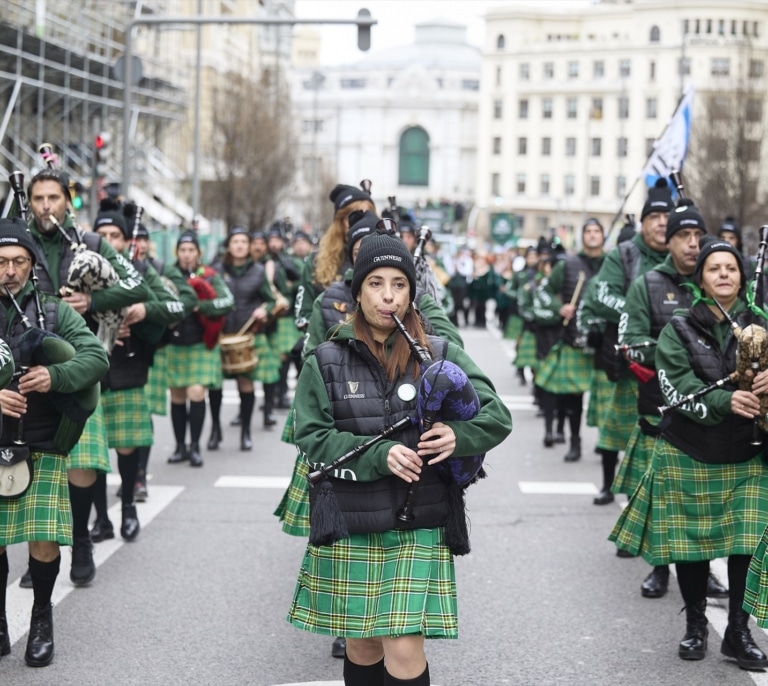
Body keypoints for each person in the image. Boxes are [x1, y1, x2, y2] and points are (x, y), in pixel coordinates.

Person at [286, 230, 512, 685]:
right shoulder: (325, 359)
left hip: (419, 519)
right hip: (353, 517)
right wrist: (379, 455)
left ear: (412, 291)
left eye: (399, 283)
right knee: (363, 643)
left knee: (404, 648)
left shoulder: (440, 352)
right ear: (358, 291)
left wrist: (458, 435)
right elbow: (311, 435)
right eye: (375, 283)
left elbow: (498, 416)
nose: (387, 295)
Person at [610, 235, 768, 670]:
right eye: (714, 267)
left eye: (731, 268)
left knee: (746, 546)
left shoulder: (762, 323)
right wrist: (724, 401)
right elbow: (675, 390)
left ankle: (738, 631)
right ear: (700, 279)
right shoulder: (678, 328)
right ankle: (695, 625)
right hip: (690, 450)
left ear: (742, 278)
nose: (723, 273)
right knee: (692, 548)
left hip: (748, 455)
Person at [25, 168, 151, 586]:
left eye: (53, 198)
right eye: (39, 198)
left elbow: (138, 289)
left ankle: (81, 538)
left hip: (81, 365)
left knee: (80, 465)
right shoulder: (16, 244)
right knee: (30, 462)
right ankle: (37, 551)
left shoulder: (91, 243)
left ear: (68, 201)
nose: (46, 206)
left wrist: (92, 299)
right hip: (29, 367)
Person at [0, 217, 109, 667]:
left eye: (19, 261)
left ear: (31, 266)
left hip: (41, 440)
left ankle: (41, 619)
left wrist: (53, 376)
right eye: (2, 261)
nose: (9, 269)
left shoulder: (54, 312)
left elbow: (96, 357)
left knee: (43, 541)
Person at [613, 201, 727, 600]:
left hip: (717, 413)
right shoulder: (647, 283)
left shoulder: (717, 282)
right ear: (669, 242)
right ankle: (660, 569)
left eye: (698, 236)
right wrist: (675, 355)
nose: (692, 244)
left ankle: (705, 571)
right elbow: (629, 344)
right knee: (668, 501)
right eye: (683, 236)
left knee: (710, 504)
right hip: (660, 406)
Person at [91, 206, 185, 540]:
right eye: (101, 236)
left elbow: (177, 307)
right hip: (90, 370)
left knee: (128, 446)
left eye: (114, 236)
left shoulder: (141, 270)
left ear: (124, 240)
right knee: (93, 451)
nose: (107, 241)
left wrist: (142, 311)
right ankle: (100, 517)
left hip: (129, 367)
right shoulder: (80, 269)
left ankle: (128, 505)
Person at [580, 179, 672, 518]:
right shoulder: (624, 254)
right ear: (644, 222)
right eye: (655, 216)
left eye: (668, 216)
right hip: (628, 361)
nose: (662, 222)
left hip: (673, 367)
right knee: (615, 432)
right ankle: (608, 484)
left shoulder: (686, 259)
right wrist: (643, 313)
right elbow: (599, 296)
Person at [533, 219, 606, 461]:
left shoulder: (612, 263)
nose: (593, 235)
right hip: (574, 340)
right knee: (573, 400)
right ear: (582, 236)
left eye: (597, 231)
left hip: (605, 342)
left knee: (606, 399)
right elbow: (543, 290)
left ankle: (605, 443)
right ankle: (575, 442)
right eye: (588, 231)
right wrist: (559, 307)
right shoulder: (568, 264)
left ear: (603, 237)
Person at [165, 230, 234, 467]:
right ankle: (179, 447)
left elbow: (227, 302)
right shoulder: (168, 274)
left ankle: (195, 447)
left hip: (201, 344)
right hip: (174, 344)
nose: (186, 255)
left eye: (191, 250)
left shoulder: (210, 276)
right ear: (177, 252)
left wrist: (199, 306)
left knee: (196, 393)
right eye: (182, 250)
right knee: (177, 396)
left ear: (198, 253)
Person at [210, 226, 275, 449]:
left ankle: (245, 432)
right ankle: (215, 429)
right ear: (228, 245)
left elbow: (272, 300)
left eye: (243, 242)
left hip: (247, 336)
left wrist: (265, 309)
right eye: (235, 241)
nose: (239, 245)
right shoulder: (215, 269)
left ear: (248, 247)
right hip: (219, 334)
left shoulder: (258, 271)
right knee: (214, 384)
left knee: (245, 383)